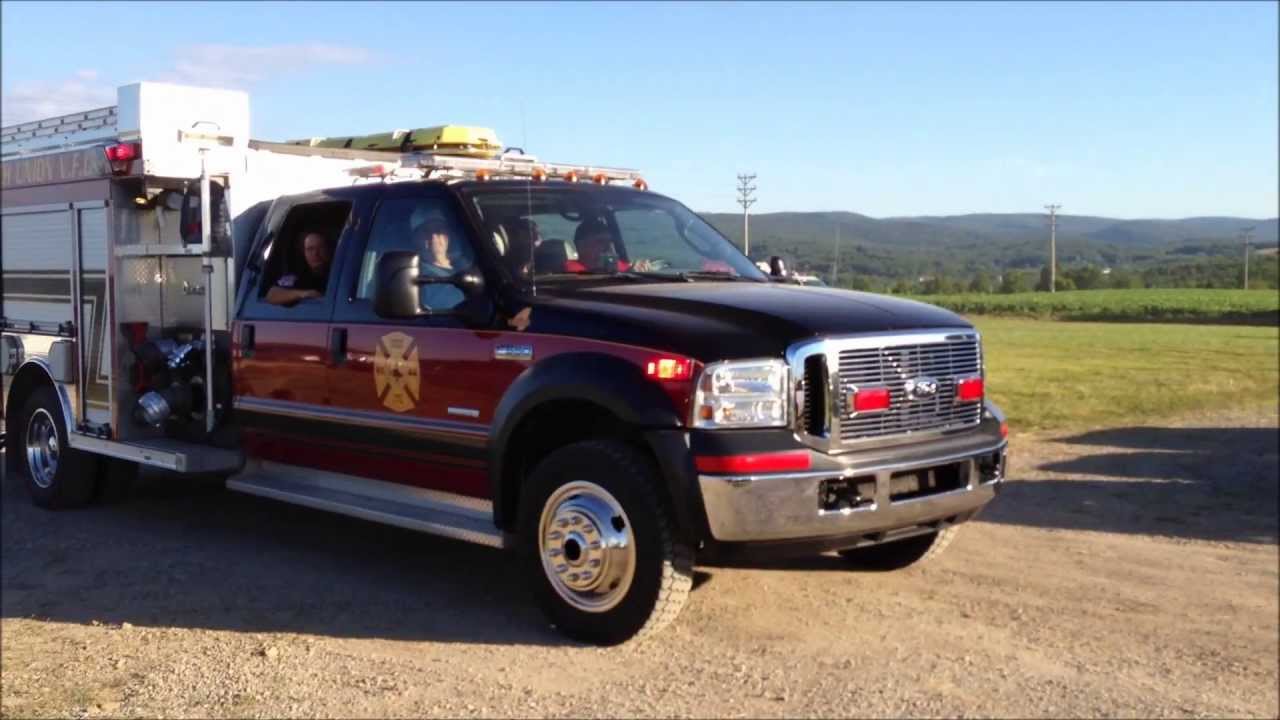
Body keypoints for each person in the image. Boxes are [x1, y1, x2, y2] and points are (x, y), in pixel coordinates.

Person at [414, 218, 468, 310]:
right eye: (426, 232)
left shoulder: (468, 265)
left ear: (447, 238)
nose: (434, 236)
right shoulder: (420, 278)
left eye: (439, 230)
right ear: (417, 240)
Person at [266, 231, 330, 305]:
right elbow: (272, 295)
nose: (315, 253)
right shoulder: (299, 275)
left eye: (320, 247)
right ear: (304, 253)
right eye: (310, 249)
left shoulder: (342, 273)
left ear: (328, 249)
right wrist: (304, 294)